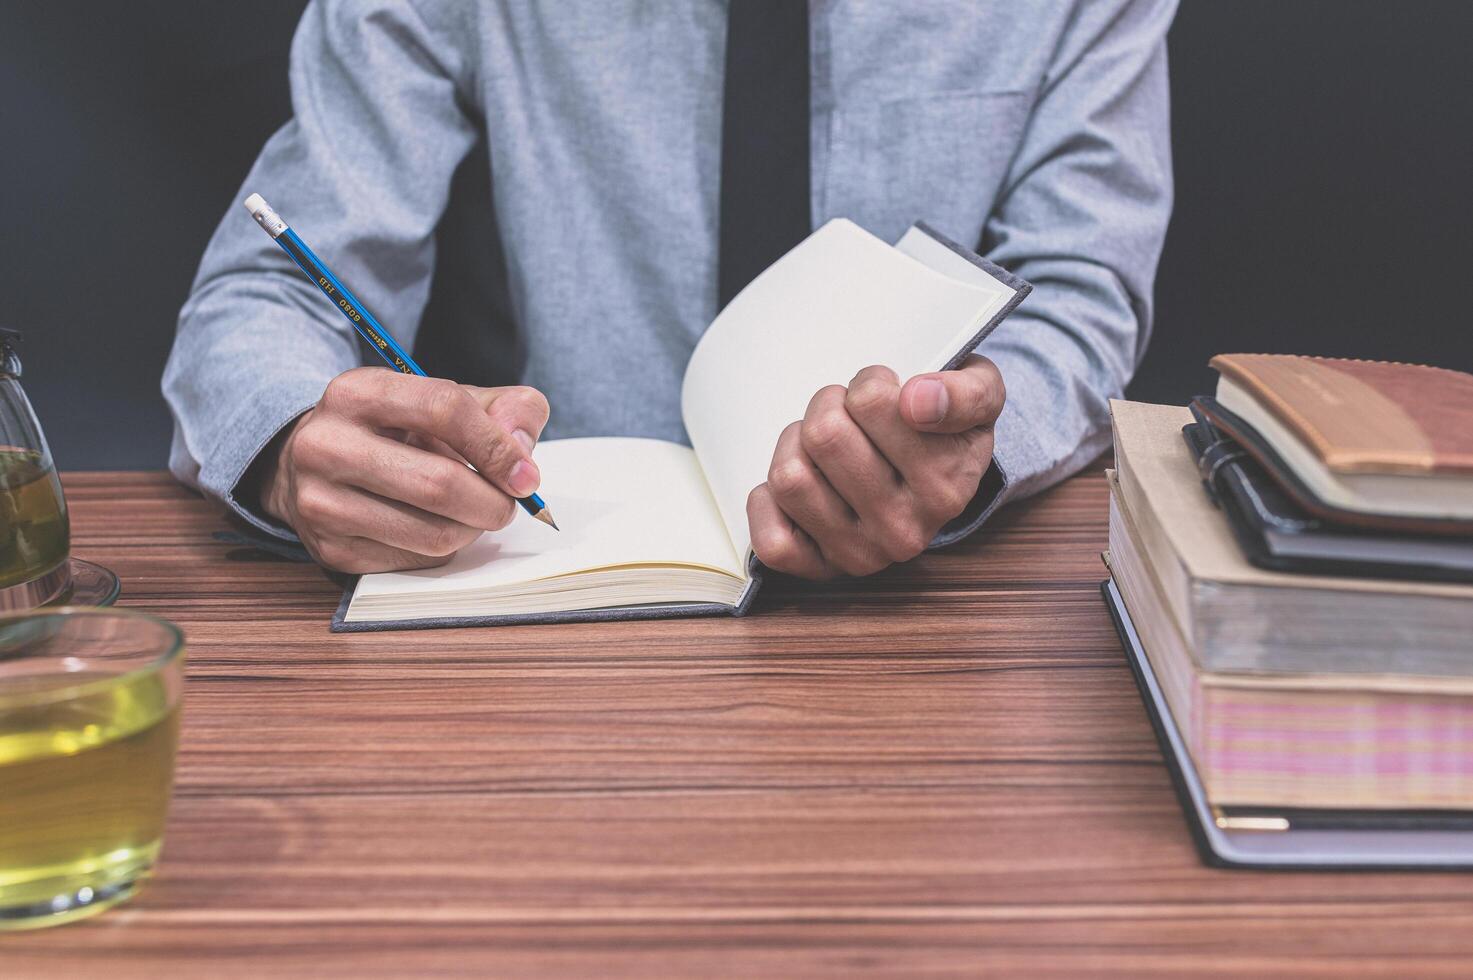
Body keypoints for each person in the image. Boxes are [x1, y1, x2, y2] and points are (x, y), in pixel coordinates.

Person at [163, 1, 1174, 580]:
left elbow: (1079, 291)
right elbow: (265, 288)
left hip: (931, 614)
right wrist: (296, 445)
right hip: (557, 593)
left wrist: (969, 445)